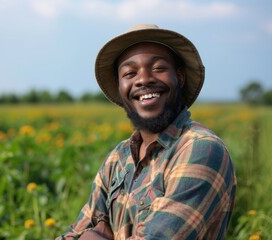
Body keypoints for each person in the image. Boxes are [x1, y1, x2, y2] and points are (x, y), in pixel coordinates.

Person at [56, 24, 236, 239]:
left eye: (159, 68)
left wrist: (95, 234)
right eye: (130, 73)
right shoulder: (119, 158)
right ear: (121, 87)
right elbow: (74, 233)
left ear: (180, 77)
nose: (143, 79)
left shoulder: (201, 149)